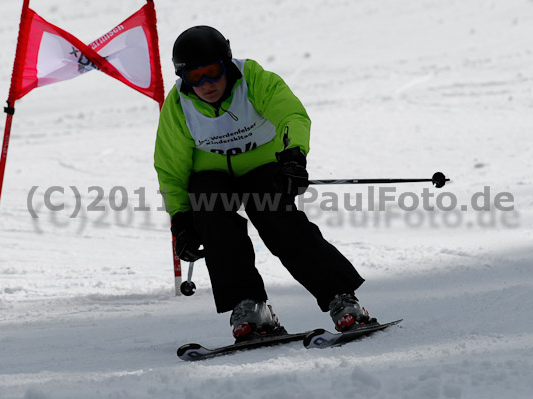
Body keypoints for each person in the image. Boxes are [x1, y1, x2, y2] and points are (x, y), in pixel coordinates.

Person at [154, 26, 376, 341]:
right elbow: (170, 168)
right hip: (213, 178)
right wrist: (181, 220)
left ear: (226, 64)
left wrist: (293, 158)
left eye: (213, 72)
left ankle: (342, 298)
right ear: (183, 78)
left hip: (262, 167)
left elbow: (291, 116)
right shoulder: (179, 106)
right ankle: (251, 309)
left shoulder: (253, 79)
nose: (206, 84)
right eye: (195, 77)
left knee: (278, 220)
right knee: (212, 215)